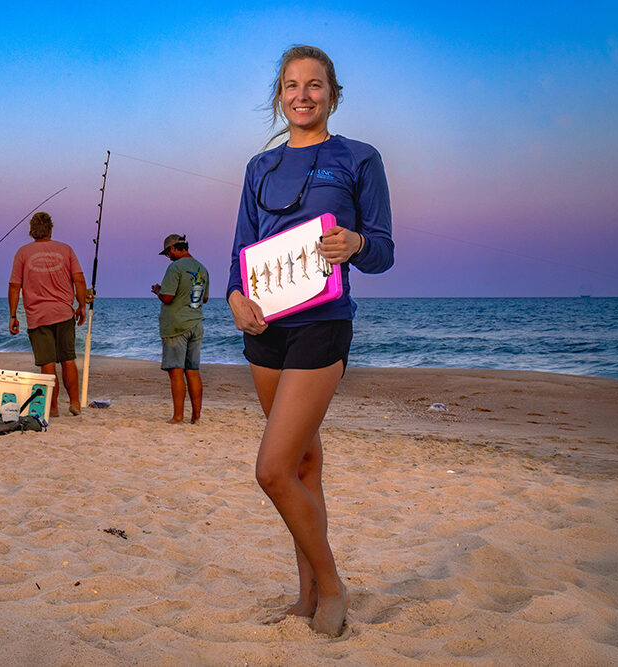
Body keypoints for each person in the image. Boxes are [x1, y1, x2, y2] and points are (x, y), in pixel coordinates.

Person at [227, 45, 394, 637]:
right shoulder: (258, 167)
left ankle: (332, 586)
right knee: (302, 462)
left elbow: (383, 251)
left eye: (315, 85)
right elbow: (240, 252)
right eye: (291, 85)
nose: (303, 94)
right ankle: (305, 598)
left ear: (333, 93)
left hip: (322, 328)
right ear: (279, 95)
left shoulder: (360, 158)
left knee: (271, 470)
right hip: (265, 331)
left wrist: (356, 245)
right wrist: (234, 300)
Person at [8, 211, 88, 417]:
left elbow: (15, 286)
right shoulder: (65, 249)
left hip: (38, 316)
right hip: (63, 312)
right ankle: (75, 402)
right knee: (68, 359)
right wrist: (81, 305)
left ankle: (53, 408)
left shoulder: (22, 252)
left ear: (32, 230)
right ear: (50, 229)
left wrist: (13, 315)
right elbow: (79, 279)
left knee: (48, 363)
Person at [150, 234, 209, 424]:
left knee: (176, 372)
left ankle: (177, 417)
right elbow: (204, 298)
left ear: (174, 249)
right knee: (193, 370)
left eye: (168, 252)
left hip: (176, 326)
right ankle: (196, 416)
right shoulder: (202, 268)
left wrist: (158, 290)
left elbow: (167, 297)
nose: (168, 257)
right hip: (196, 323)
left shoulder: (174, 267)